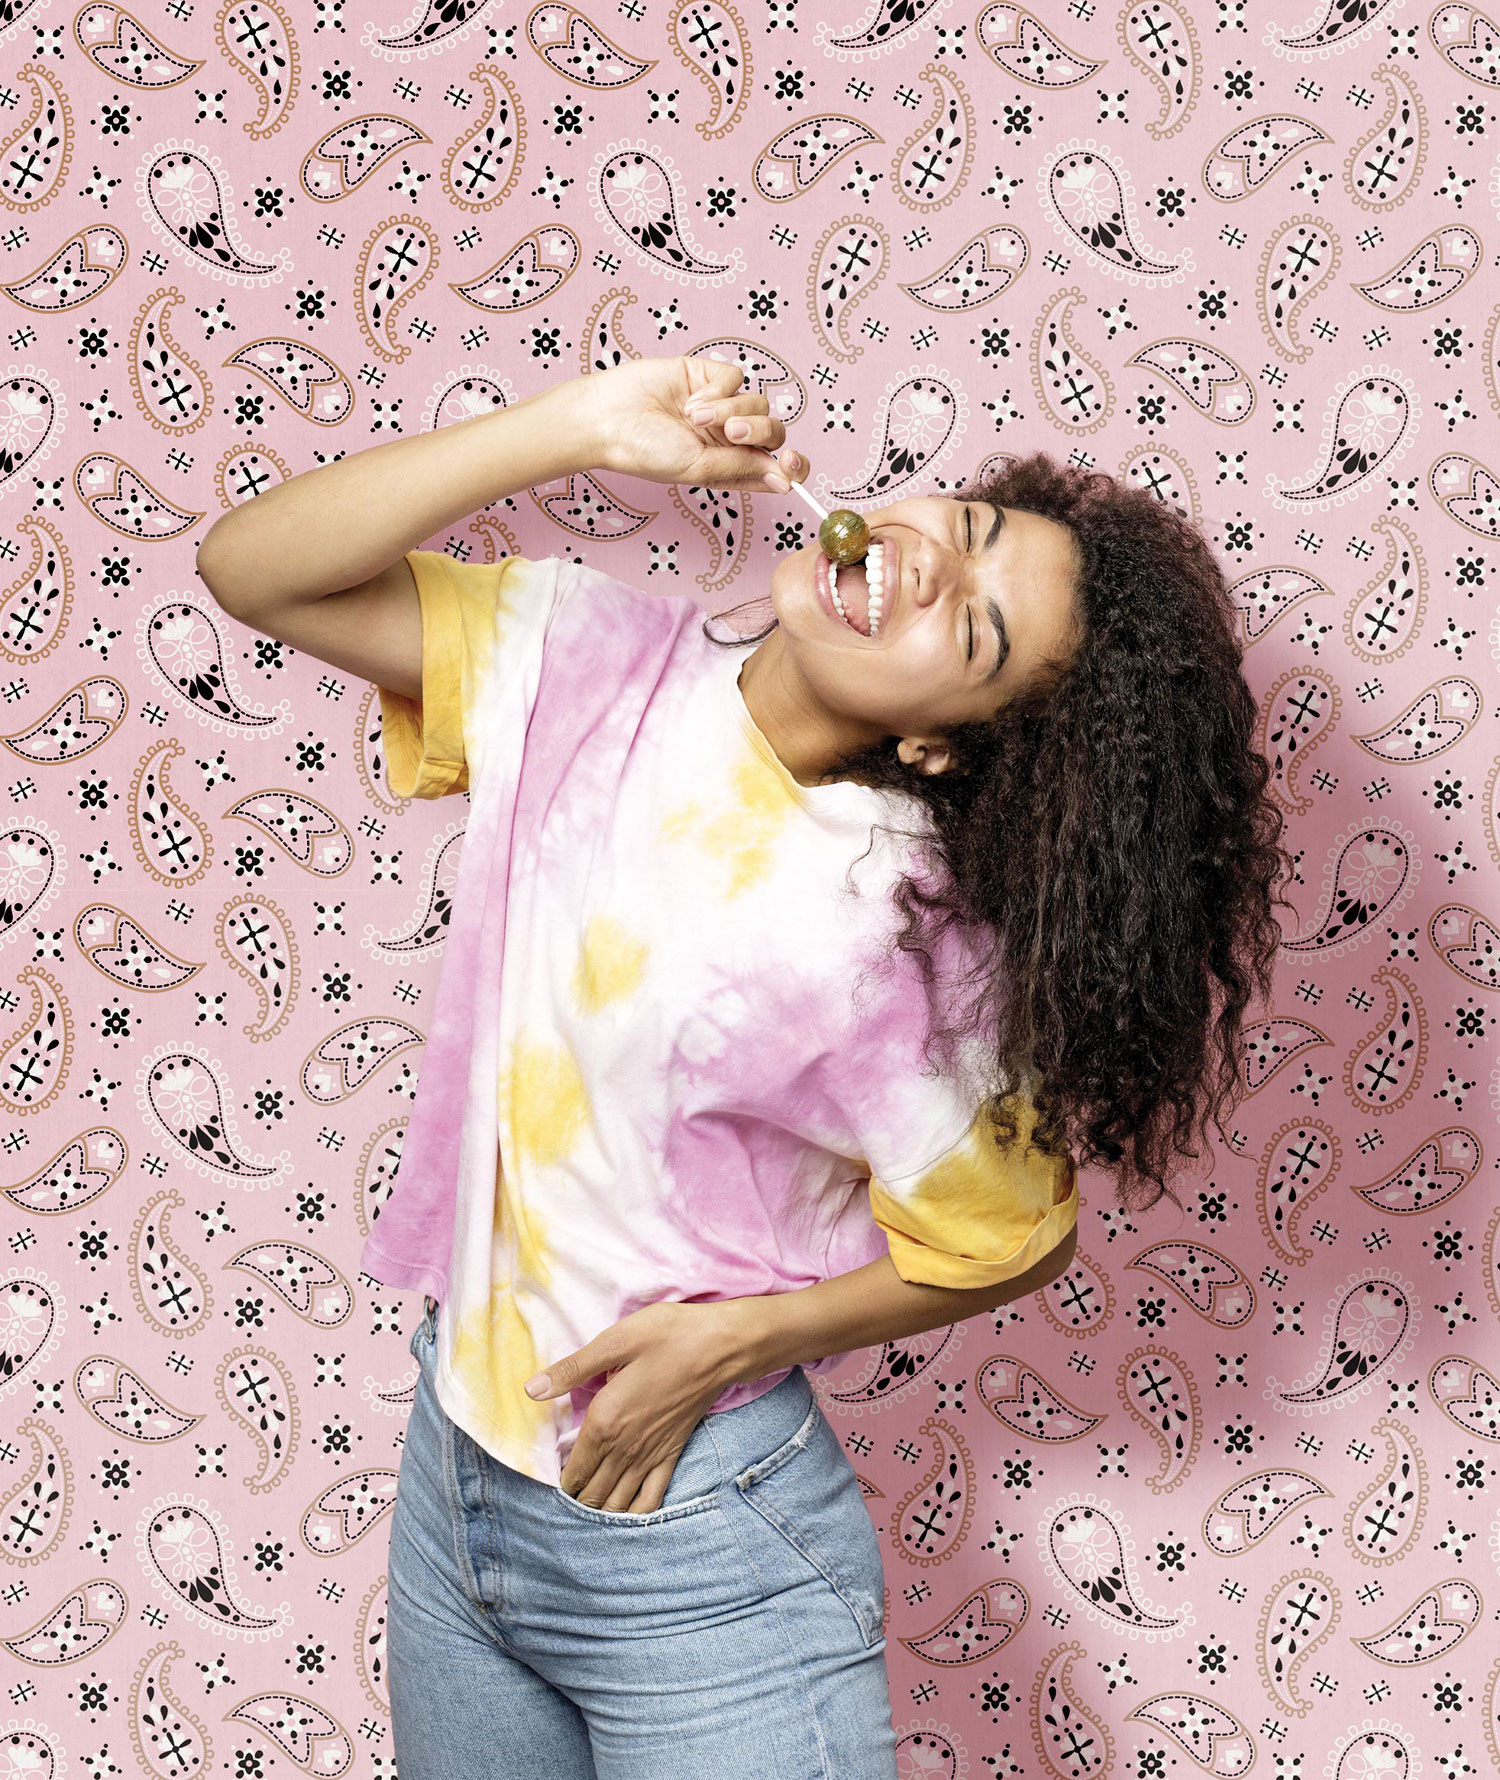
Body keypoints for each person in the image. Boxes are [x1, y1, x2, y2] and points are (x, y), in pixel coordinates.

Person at [197, 355, 1289, 1778]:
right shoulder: (585, 659)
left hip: (700, 1537)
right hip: (456, 1470)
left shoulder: (898, 935)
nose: (927, 567)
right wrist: (578, 425)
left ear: (938, 742)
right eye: (961, 529)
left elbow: (1010, 1240)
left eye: (973, 628)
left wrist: (737, 1340)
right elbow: (253, 570)